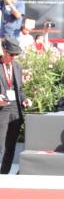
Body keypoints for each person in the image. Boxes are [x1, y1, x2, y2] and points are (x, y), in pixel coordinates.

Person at [0, 36, 32, 173]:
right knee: (0, 145)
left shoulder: (17, 66)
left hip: (16, 109)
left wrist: (24, 99)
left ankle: (4, 175)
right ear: (4, 51)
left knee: (10, 146)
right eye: (12, 54)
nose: (13, 57)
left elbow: (19, 90)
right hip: (2, 109)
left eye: (16, 55)